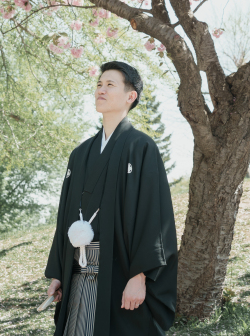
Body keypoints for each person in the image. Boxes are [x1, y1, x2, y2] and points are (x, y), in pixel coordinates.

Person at [44, 61, 178, 336]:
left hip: (120, 273)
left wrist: (140, 277)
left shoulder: (141, 147)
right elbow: (65, 214)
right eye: (99, 84)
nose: (100, 90)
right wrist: (59, 272)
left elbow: (153, 214)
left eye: (110, 85)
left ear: (131, 96)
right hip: (77, 270)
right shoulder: (80, 154)